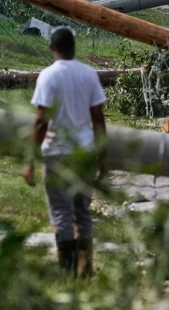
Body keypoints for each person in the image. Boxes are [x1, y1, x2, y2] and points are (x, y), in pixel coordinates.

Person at [23, 28, 108, 277]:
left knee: (61, 212)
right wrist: (103, 156)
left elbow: (41, 121)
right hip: (84, 152)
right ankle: (85, 268)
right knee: (82, 211)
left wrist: (30, 161)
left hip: (57, 153)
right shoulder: (89, 74)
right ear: (74, 48)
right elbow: (98, 119)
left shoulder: (48, 76)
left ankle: (68, 271)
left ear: (52, 48)